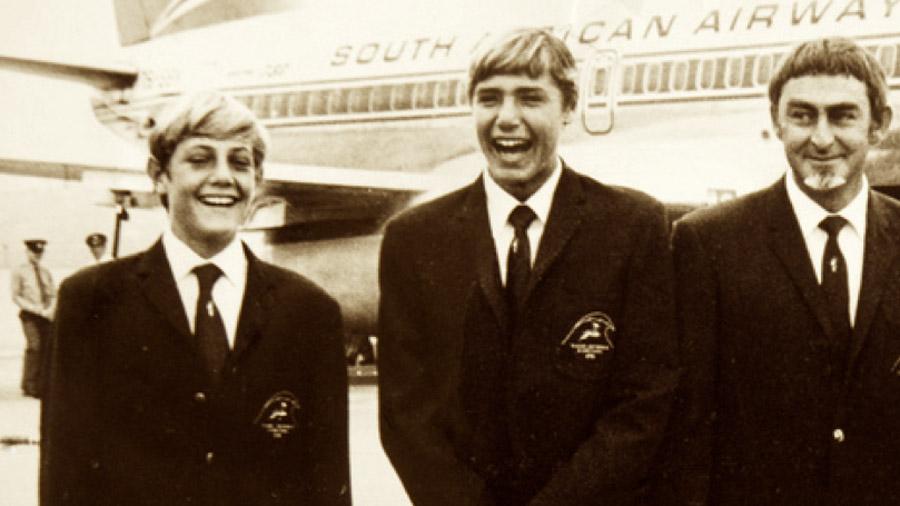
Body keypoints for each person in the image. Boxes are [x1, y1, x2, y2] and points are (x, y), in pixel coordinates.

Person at [378, 28, 678, 506]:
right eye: (489, 99)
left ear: (568, 107)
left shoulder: (631, 226)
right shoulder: (413, 238)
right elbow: (405, 414)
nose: (506, 118)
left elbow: (645, 401)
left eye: (530, 98)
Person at [41, 91, 351, 506]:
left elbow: (328, 482)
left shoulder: (310, 311)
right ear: (159, 175)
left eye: (239, 163)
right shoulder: (92, 301)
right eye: (200, 159)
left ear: (257, 180)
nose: (223, 177)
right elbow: (65, 473)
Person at [662, 37, 899, 505]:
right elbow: (689, 421)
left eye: (843, 116)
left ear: (878, 126)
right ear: (777, 121)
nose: (822, 138)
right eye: (803, 116)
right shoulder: (708, 242)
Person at [11, 239, 55, 398]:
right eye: (34, 252)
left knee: (47, 347)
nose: (37, 255)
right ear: (27, 252)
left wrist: (50, 309)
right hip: (29, 314)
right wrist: (36, 309)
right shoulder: (19, 271)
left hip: (46, 315)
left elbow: (52, 293)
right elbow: (16, 296)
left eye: (40, 253)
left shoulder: (45, 272)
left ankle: (41, 383)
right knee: (34, 346)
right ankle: (29, 384)